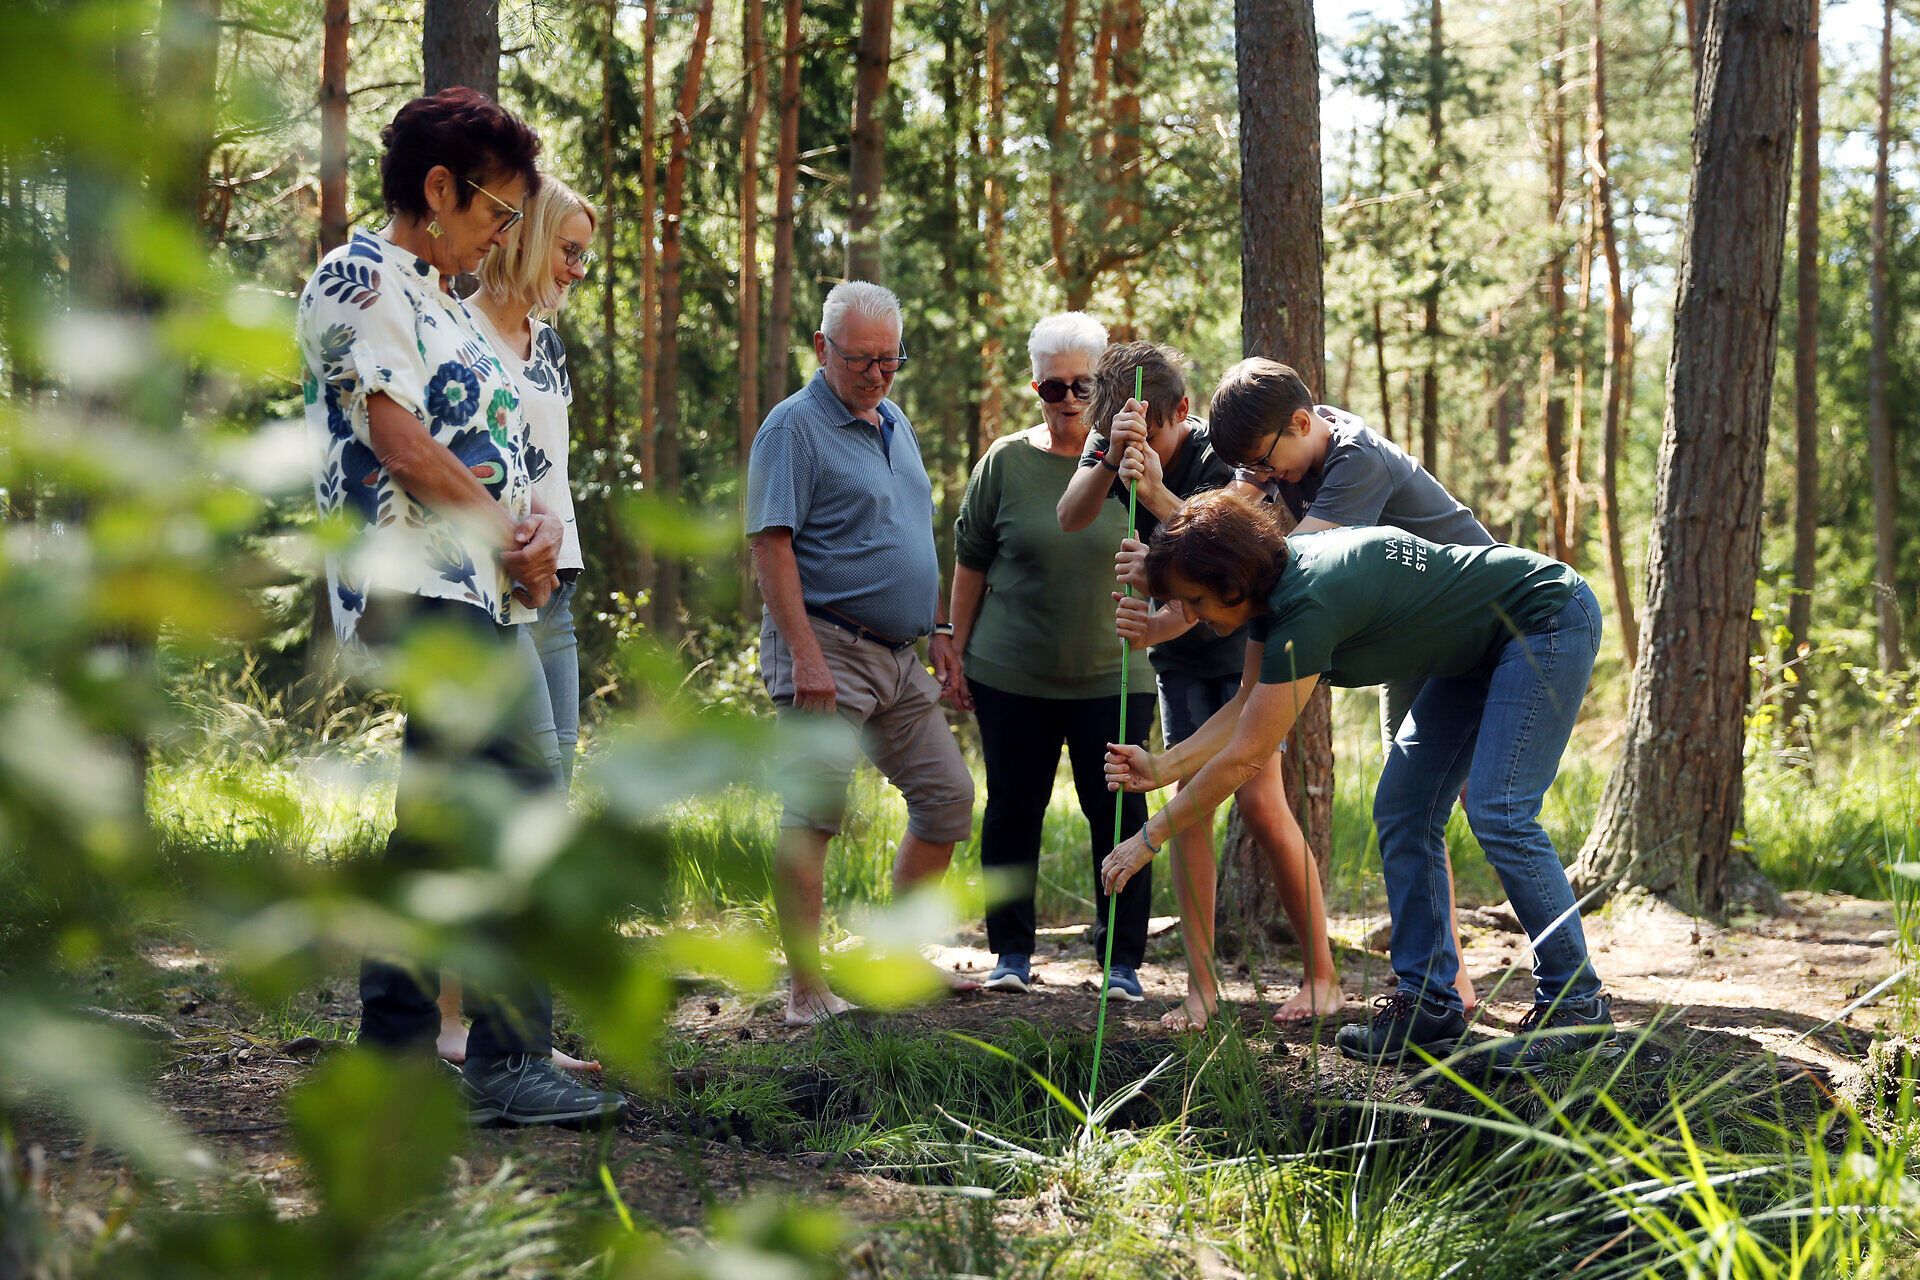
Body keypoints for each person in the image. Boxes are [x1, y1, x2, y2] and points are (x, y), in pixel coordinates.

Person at [298, 88, 624, 1125]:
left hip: (479, 588)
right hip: (413, 580)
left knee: (438, 825)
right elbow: (402, 444)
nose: (505, 230)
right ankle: (506, 1058)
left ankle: (396, 1053)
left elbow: (508, 455)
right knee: (523, 802)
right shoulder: (357, 278)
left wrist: (536, 541)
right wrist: (502, 530)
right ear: (438, 189)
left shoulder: (449, 302)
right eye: (496, 209)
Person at [1100, 491, 1619, 1074]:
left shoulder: (1307, 601)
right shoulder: (1272, 594)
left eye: (1196, 600)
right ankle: (1429, 1004)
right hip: (1477, 650)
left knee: (1499, 810)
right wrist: (1163, 767)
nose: (1194, 615)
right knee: (1405, 807)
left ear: (1231, 582)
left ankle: (1576, 1005)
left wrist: (1149, 837)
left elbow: (1246, 756)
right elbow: (1247, 703)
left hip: (1544, 617)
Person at [1202, 357, 1499, 1012]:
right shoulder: (1293, 451)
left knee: (1484, 805)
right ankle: (1449, 979)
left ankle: (1553, 978)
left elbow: (1282, 566)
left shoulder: (1356, 461)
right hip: (1420, 640)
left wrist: (1191, 541)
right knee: (1416, 805)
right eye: (1251, 468)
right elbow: (1236, 519)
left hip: (1480, 629)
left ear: (1300, 422)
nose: (1264, 477)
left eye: (1265, 462)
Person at [1058, 342, 1339, 1029]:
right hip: (1182, 658)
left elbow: (1233, 552)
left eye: (1152, 434)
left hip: (1243, 636)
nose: (1139, 446)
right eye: (1122, 434)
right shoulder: (1112, 442)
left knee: (1262, 800)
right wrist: (1110, 457)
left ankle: (1322, 975)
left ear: (1181, 411)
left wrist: (1156, 501)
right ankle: (1201, 986)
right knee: (1187, 807)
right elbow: (1071, 515)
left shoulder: (1224, 455)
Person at [745, 280, 976, 1026]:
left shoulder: (894, 421)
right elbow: (770, 545)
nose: (878, 374)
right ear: (822, 348)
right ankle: (806, 990)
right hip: (827, 648)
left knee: (947, 797)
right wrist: (804, 657)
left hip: (901, 657)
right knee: (814, 813)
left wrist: (939, 629)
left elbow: (911, 533)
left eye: (890, 359)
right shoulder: (792, 428)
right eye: (861, 360)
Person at [437, 173, 601, 1076]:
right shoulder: (456, 333)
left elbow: (549, 471)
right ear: (528, 235)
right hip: (489, 593)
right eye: (569, 250)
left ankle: (511, 1027)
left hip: (556, 592)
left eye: (584, 257)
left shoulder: (549, 347)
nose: (577, 269)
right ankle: (466, 1026)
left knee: (543, 810)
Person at [950, 314, 1156, 1003]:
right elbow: (972, 560)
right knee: (1013, 809)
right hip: (1011, 674)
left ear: (1106, 389)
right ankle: (1010, 953)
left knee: (1119, 814)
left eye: (1083, 385)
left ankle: (1121, 962)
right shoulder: (1004, 462)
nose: (1068, 399)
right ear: (1035, 387)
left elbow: (1181, 546)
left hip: (1115, 675)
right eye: (1052, 386)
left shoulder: (1137, 464)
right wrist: (953, 647)